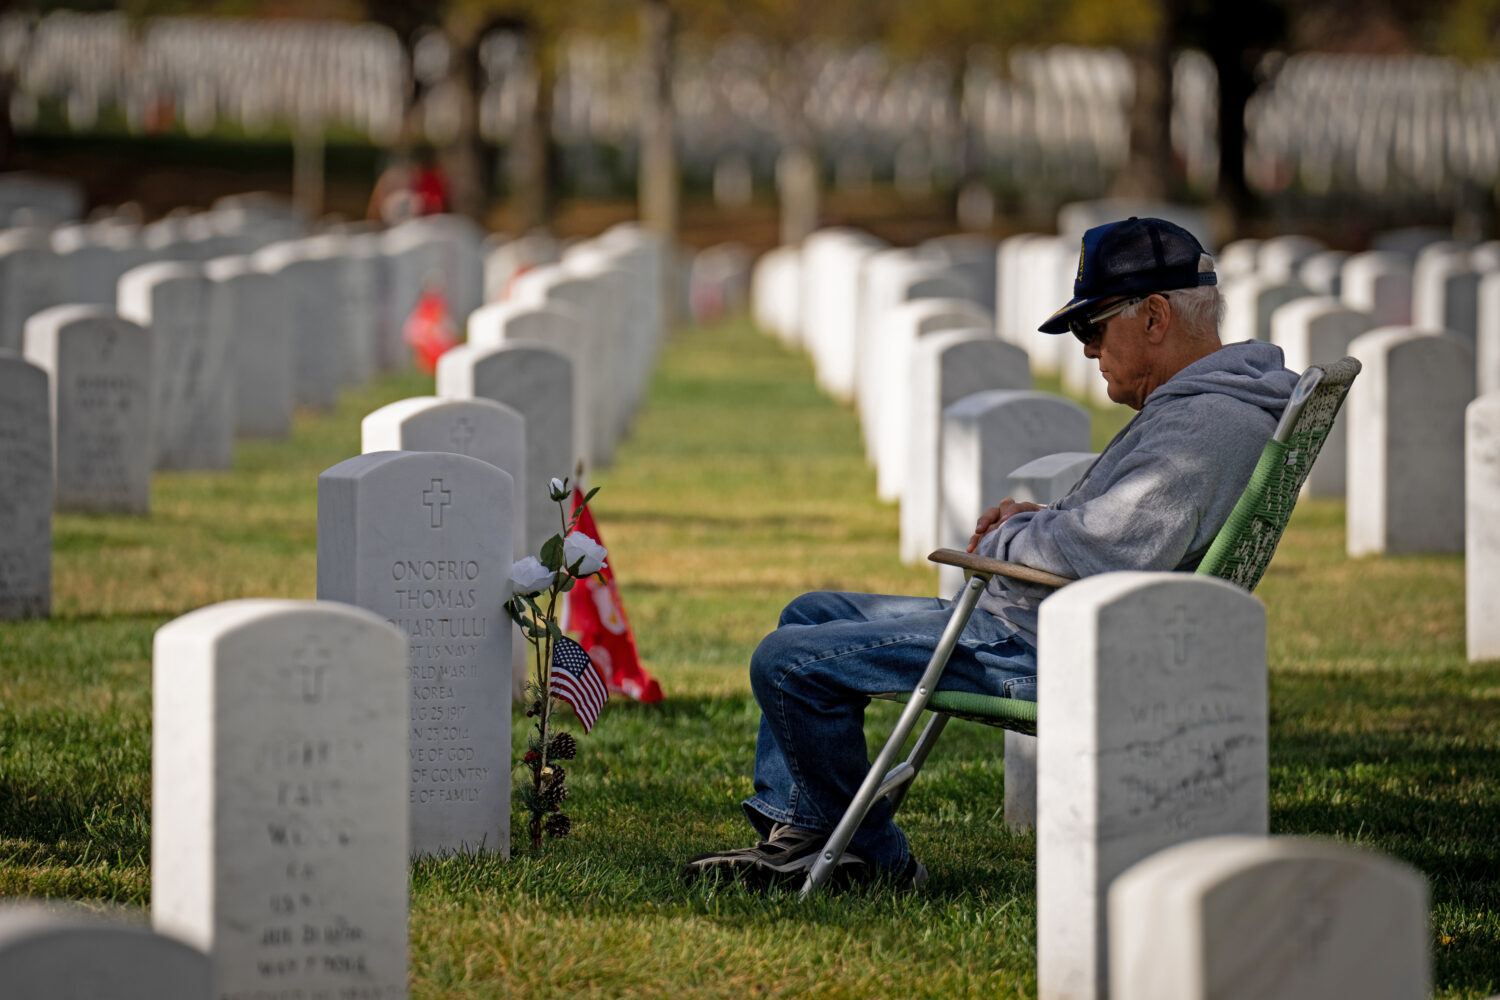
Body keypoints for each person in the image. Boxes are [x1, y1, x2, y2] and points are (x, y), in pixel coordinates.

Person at [681, 217, 1300, 891]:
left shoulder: (1207, 426)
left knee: (788, 660)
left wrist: (1006, 540)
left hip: (1054, 647)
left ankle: (874, 858)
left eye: (1093, 327)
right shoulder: (1205, 408)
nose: (1088, 351)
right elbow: (1128, 529)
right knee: (811, 611)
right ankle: (809, 834)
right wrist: (1047, 518)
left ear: (1154, 316)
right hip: (1056, 624)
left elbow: (1102, 552)